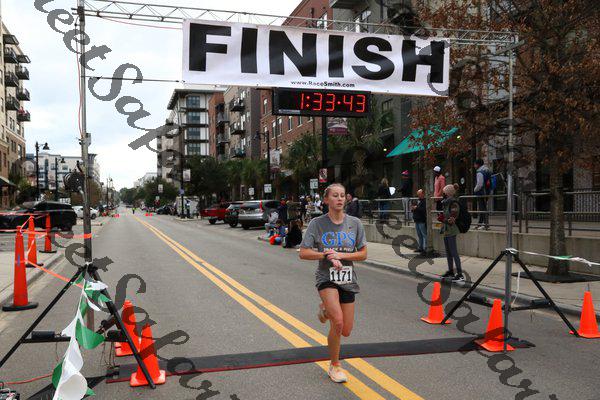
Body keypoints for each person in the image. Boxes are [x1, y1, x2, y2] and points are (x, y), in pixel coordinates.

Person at [299, 183, 367, 383]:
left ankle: (326, 309)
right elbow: (303, 252)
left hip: (347, 278)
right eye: (335, 195)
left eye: (342, 195)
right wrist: (326, 255)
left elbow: (363, 253)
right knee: (337, 322)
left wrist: (341, 255)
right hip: (326, 277)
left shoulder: (355, 223)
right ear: (326, 199)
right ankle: (335, 365)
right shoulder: (317, 223)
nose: (339, 199)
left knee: (346, 330)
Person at [439, 184, 464, 282]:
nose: (443, 194)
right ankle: (450, 271)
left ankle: (460, 274)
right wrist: (442, 218)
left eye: (444, 193)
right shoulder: (446, 203)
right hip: (446, 230)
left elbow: (452, 221)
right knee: (448, 253)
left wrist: (443, 219)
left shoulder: (454, 204)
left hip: (452, 230)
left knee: (454, 252)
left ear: (448, 193)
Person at [473, 159, 491, 230]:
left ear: (478, 164)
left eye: (475, 164)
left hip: (481, 192)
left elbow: (479, 184)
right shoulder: (487, 170)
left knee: (482, 208)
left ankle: (485, 224)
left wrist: (475, 189)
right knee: (483, 208)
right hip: (487, 191)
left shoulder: (480, 172)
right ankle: (480, 223)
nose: (474, 166)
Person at [412, 189, 427, 253]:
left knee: (424, 234)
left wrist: (416, 208)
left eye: (419, 194)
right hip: (417, 220)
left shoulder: (425, 201)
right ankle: (420, 247)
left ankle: (425, 248)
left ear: (423, 194)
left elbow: (424, 210)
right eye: (417, 194)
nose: (418, 195)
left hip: (421, 220)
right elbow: (414, 208)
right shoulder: (418, 200)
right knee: (419, 235)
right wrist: (413, 208)